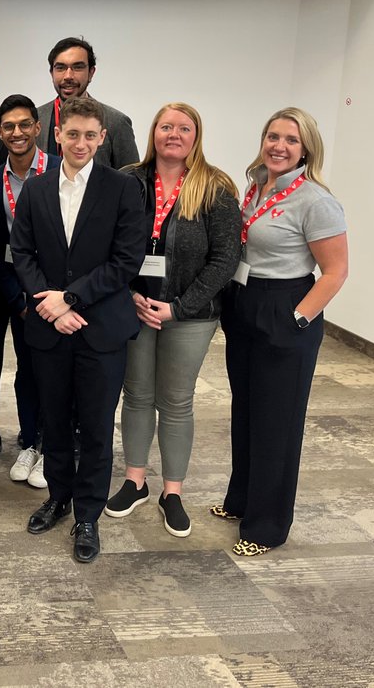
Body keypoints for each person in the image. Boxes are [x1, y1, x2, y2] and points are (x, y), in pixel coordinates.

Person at [10, 96, 146, 563]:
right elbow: (22, 254)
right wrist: (50, 304)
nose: (81, 143)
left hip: (100, 327)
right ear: (58, 136)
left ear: (102, 138)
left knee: (94, 426)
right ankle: (59, 497)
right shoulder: (38, 188)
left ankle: (87, 514)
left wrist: (70, 298)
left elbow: (125, 261)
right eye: (73, 134)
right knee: (55, 420)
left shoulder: (122, 189)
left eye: (91, 135)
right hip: (50, 328)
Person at [104, 103, 242, 538]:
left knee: (177, 402)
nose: (174, 134)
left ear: (196, 136)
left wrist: (179, 307)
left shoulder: (216, 187)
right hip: (134, 308)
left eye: (184, 128)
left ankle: (173, 492)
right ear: (154, 132)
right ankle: (136, 480)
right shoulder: (128, 180)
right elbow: (107, 244)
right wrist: (129, 295)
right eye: (166, 126)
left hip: (191, 316)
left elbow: (225, 259)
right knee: (137, 394)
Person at [217, 107, 347, 556]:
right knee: (247, 410)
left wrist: (296, 319)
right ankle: (241, 501)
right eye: (273, 136)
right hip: (244, 303)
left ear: (306, 149)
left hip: (285, 308)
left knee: (277, 422)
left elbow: (335, 272)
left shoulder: (315, 200)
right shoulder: (255, 186)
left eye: (291, 140)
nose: (279, 146)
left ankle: (266, 526)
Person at [0, 94, 49, 490]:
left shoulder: (60, 171)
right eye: (8, 126)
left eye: (25, 124)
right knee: (26, 372)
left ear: (37, 128)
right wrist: (18, 299)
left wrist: (49, 296)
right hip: (13, 291)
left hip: (55, 292)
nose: (17, 132)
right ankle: (29, 440)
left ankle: (52, 445)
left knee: (54, 371)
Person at [35, 37, 139, 169]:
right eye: (60, 68)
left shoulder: (116, 122)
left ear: (91, 72)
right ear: (52, 73)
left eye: (77, 67)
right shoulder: (36, 119)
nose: (68, 76)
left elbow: (132, 180)